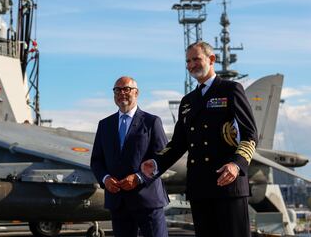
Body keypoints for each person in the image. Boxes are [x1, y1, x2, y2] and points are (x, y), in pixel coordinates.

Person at [141, 41, 258, 237]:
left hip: (228, 185)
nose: (191, 65)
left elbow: (250, 135)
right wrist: (156, 162)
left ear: (211, 59)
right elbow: (178, 144)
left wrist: (236, 165)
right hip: (200, 188)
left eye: (196, 59)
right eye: (188, 61)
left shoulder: (231, 90)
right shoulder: (187, 101)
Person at [90, 76, 169, 237]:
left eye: (126, 89)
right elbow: (96, 160)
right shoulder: (105, 125)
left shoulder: (152, 122)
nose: (121, 93)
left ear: (136, 93)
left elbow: (163, 159)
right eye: (117, 90)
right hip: (118, 202)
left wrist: (139, 177)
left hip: (147, 201)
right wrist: (105, 179)